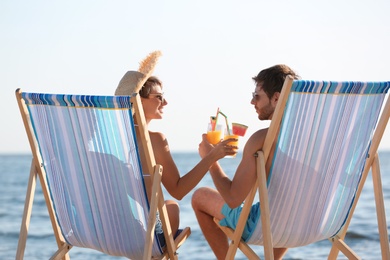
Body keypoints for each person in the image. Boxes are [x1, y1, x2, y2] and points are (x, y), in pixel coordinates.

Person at [114, 51, 237, 240]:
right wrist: (212, 156)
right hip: (145, 235)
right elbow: (179, 190)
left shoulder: (113, 138)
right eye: (159, 97)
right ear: (139, 100)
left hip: (114, 230)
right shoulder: (154, 140)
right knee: (172, 206)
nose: (165, 102)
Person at [191, 64, 300, 259]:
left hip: (271, 224)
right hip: (311, 223)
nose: (252, 101)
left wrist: (210, 160)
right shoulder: (318, 140)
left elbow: (233, 200)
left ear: (276, 98)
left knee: (200, 196)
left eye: (257, 96)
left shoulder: (262, 139)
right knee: (290, 207)